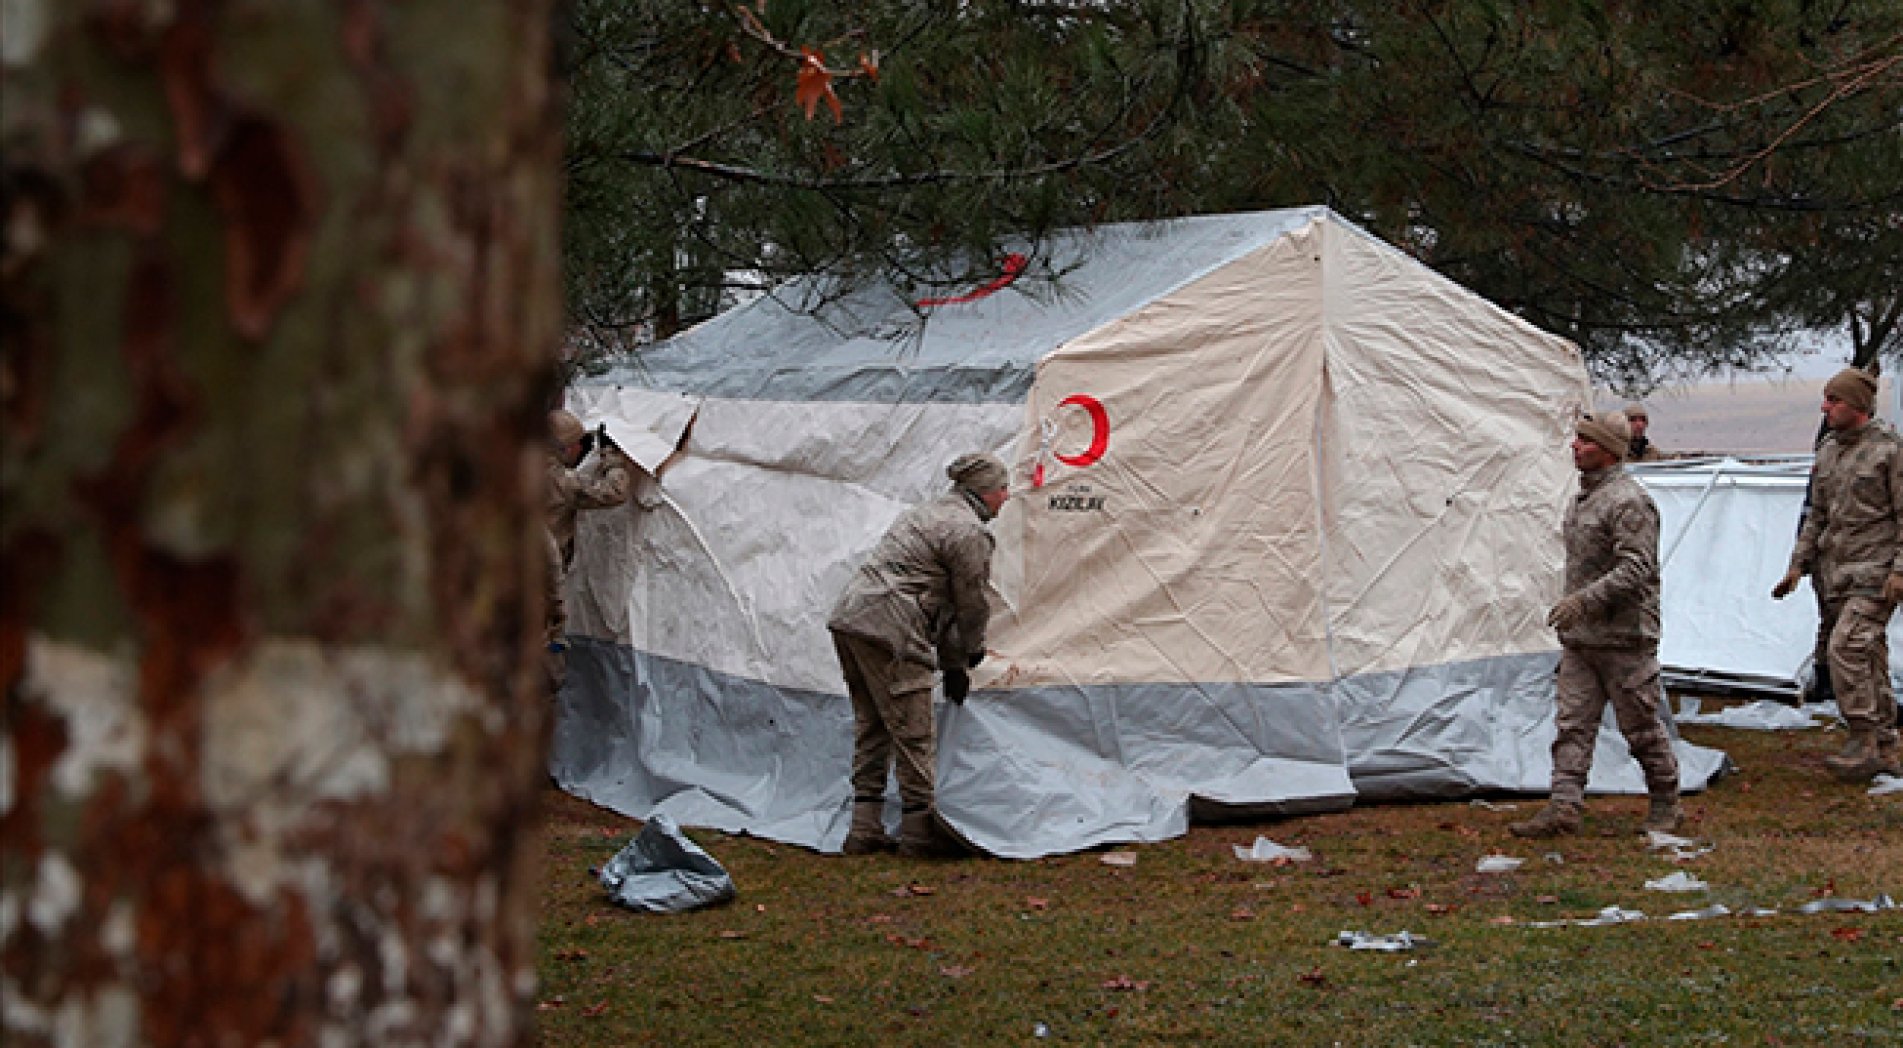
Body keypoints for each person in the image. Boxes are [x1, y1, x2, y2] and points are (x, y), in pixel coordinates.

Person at [828, 453, 1010, 857]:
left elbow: (937, 602)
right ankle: (918, 830)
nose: (1008, 497)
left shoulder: (925, 515)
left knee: (873, 724)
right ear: (985, 492)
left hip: (852, 618)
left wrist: (951, 663)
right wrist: (973, 650)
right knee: (914, 729)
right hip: (892, 627)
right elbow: (970, 604)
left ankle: (865, 827)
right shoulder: (968, 533)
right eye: (1003, 489)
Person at [1512, 410, 1683, 837]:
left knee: (1640, 727)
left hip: (1624, 638)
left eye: (1585, 441)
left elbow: (1637, 568)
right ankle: (1564, 805)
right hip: (1583, 640)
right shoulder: (1582, 500)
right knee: (1572, 725)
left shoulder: (1629, 502)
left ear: (1607, 450)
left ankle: (1666, 800)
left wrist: (1582, 603)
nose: (1575, 446)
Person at [1771, 368, 1903, 781]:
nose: (1825, 407)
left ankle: (1861, 738)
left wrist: (1899, 571)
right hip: (1834, 575)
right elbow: (1817, 515)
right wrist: (1797, 565)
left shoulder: (1890, 451)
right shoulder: (1828, 451)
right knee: (1870, 657)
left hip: (1875, 573)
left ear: (1859, 407)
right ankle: (1886, 743)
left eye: (1835, 400)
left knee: (1845, 649)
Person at [545, 408, 637, 689]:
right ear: (567, 447)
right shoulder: (555, 479)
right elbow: (613, 492)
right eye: (580, 447)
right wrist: (612, 459)